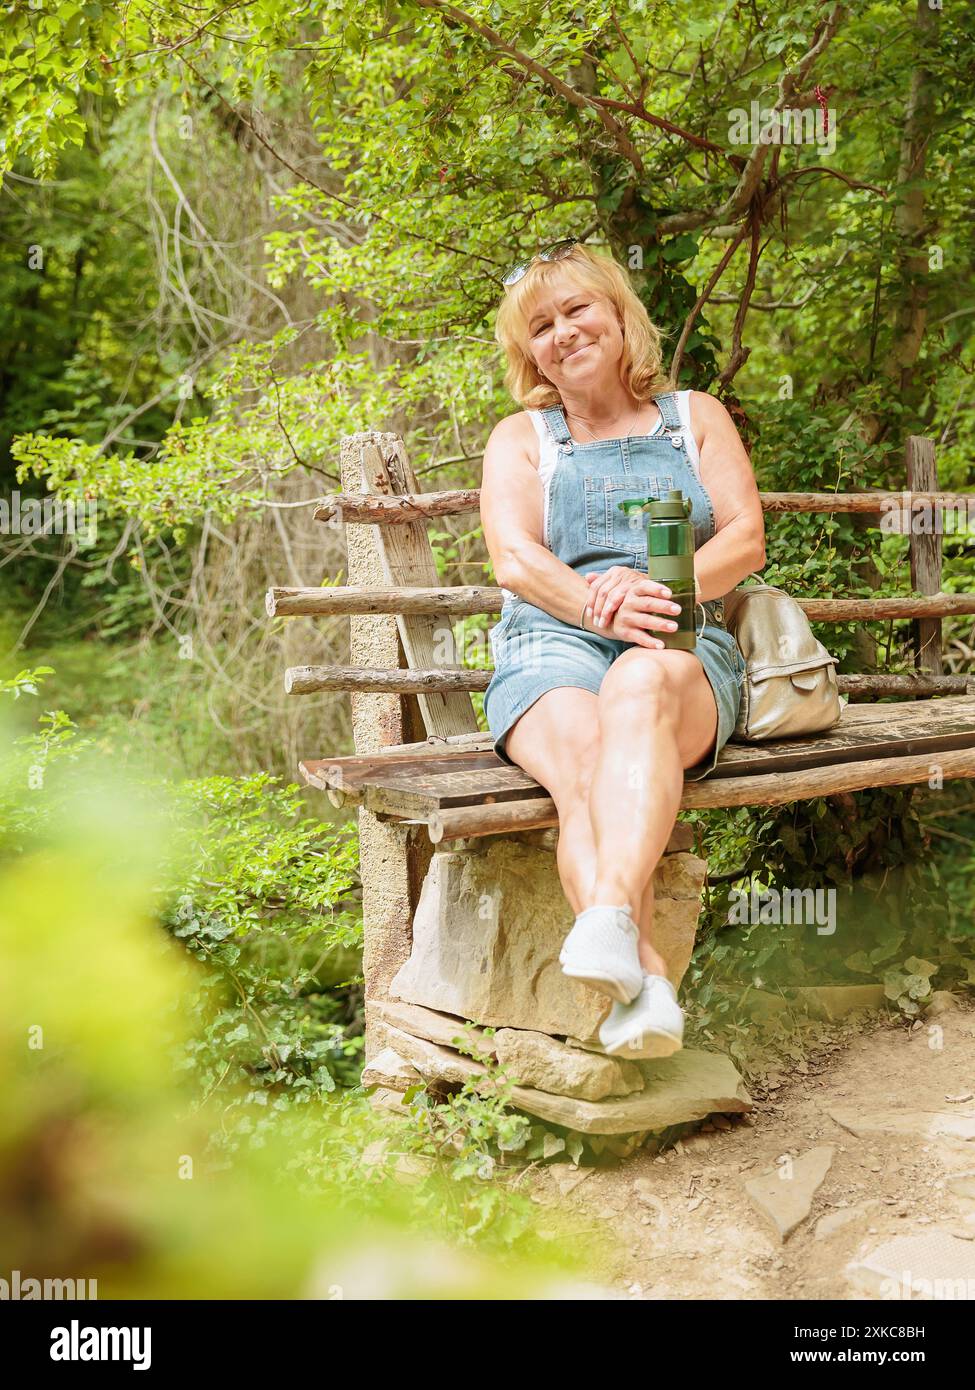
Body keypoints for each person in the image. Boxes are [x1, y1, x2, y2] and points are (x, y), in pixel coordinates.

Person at [480, 239, 766, 1058]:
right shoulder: (522, 439)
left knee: (639, 687)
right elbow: (515, 559)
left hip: (678, 631)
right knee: (581, 763)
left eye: (577, 309)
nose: (563, 332)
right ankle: (647, 987)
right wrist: (597, 609)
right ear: (526, 350)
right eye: (541, 325)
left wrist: (655, 593)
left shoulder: (692, 417)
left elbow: (744, 538)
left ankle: (606, 921)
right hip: (551, 640)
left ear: (615, 315)